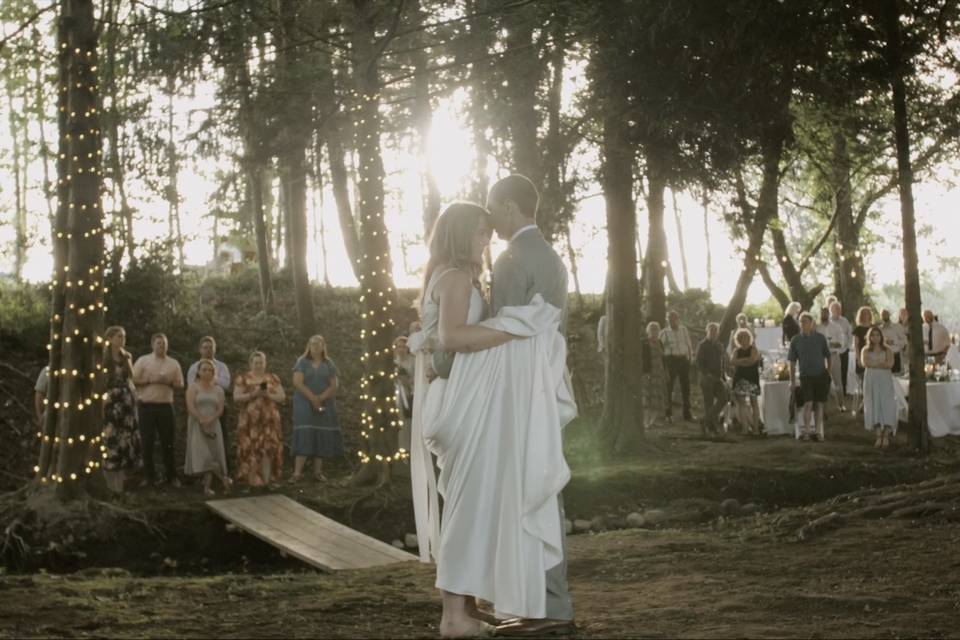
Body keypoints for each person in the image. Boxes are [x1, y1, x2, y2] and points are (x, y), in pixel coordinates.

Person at [411, 185, 575, 637]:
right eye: (480, 233)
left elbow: (446, 338)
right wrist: (515, 328)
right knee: (468, 502)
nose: (487, 241)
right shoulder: (463, 275)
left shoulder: (460, 273)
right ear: (462, 234)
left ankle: (463, 607)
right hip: (463, 401)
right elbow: (451, 341)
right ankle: (454, 614)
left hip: (462, 398)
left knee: (470, 501)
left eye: (489, 231)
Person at [133, 333, 185, 487]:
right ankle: (149, 477)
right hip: (146, 406)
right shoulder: (143, 360)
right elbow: (133, 380)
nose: (161, 346)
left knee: (168, 443)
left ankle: (172, 476)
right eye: (158, 343)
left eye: (164, 344)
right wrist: (150, 380)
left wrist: (169, 382)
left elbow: (180, 384)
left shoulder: (174, 363)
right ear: (152, 344)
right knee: (147, 443)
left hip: (165, 406)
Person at [291, 335, 342, 482]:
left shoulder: (328, 363)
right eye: (313, 343)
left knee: (321, 434)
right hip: (304, 403)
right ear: (309, 345)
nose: (315, 346)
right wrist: (313, 398)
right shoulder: (302, 362)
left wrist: (320, 398)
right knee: (305, 433)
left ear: (323, 346)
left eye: (318, 344)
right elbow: (297, 382)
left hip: (324, 403)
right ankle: (297, 473)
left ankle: (318, 472)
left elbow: (334, 385)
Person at [233, 351, 285, 488]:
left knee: (267, 449)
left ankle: (267, 482)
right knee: (250, 449)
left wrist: (268, 394)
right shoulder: (243, 378)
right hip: (250, 421)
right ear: (251, 363)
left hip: (269, 420)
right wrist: (253, 394)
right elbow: (236, 397)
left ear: (265, 363)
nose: (258, 365)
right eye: (256, 362)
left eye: (261, 362)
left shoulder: (272, 378)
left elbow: (282, 397)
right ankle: (252, 483)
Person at [101, 326, 142, 494]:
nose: (122, 339)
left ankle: (121, 485)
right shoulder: (103, 358)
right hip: (111, 401)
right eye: (118, 336)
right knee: (111, 439)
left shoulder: (126, 357)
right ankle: (110, 486)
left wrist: (134, 399)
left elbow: (131, 380)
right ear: (110, 338)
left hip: (126, 401)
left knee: (126, 440)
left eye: (123, 336)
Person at [184, 358, 231, 497]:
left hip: (214, 423)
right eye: (204, 369)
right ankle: (224, 479)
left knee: (213, 454)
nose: (207, 372)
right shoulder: (193, 387)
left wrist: (211, 420)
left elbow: (220, 408)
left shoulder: (218, 390)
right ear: (198, 371)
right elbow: (190, 406)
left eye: (210, 370)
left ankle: (207, 487)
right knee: (204, 455)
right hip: (197, 423)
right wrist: (201, 420)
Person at [187, 337, 231, 465]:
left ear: (215, 349)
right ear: (200, 349)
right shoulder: (194, 367)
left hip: (217, 405)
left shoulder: (222, 366)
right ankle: (201, 469)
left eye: (210, 347)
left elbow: (226, 384)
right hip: (199, 406)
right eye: (205, 347)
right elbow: (191, 385)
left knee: (221, 436)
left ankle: (222, 467)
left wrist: (210, 376)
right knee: (199, 439)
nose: (208, 350)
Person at [788, 312, 832, 441]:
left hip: (820, 375)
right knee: (808, 403)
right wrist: (792, 381)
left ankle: (818, 432)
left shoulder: (820, 338)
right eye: (800, 321)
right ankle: (806, 431)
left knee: (819, 404)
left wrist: (828, 373)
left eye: (805, 321)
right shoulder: (796, 340)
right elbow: (791, 362)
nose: (802, 323)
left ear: (811, 322)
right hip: (805, 376)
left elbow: (828, 356)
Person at [861, 327, 898, 449]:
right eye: (873, 335)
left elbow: (890, 364)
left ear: (881, 336)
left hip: (885, 379)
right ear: (869, 337)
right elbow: (866, 363)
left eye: (878, 335)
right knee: (873, 403)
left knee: (887, 404)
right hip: (871, 379)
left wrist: (876, 364)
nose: (875, 337)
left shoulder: (887, 350)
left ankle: (886, 434)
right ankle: (878, 434)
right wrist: (880, 364)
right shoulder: (865, 350)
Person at [660, 310, 694, 422]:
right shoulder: (664, 332)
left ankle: (687, 413)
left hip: (683, 360)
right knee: (669, 386)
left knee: (686, 387)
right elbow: (661, 348)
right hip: (671, 360)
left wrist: (690, 358)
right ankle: (668, 413)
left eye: (674, 318)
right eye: (669, 318)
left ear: (678, 319)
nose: (672, 320)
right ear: (667, 319)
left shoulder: (684, 330)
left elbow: (688, 344)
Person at [696, 322, 727, 435]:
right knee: (708, 403)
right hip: (707, 378)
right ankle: (711, 427)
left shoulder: (719, 345)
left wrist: (723, 376)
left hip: (718, 378)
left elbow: (723, 361)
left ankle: (704, 420)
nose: (713, 332)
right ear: (707, 331)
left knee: (724, 398)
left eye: (715, 331)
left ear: (718, 332)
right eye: (711, 330)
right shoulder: (703, 345)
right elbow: (698, 362)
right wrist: (707, 373)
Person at [730, 328, 763, 436]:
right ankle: (745, 428)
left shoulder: (753, 349)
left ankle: (756, 429)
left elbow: (752, 360)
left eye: (746, 337)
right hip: (740, 379)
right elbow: (732, 361)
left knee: (754, 403)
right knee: (742, 404)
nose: (744, 339)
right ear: (739, 339)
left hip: (752, 378)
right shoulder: (736, 350)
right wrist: (745, 361)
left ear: (749, 338)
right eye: (742, 338)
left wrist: (740, 362)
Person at [817, 307, 847, 412]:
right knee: (821, 382)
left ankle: (841, 404)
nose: (823, 315)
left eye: (825, 313)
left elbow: (842, 343)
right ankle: (823, 407)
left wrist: (832, 343)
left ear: (828, 314)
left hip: (833, 355)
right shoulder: (817, 327)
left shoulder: (836, 327)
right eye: (822, 313)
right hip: (820, 358)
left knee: (837, 380)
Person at [642, 321, 667, 429]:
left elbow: (663, 358)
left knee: (657, 398)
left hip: (659, 373)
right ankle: (646, 422)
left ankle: (653, 420)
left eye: (656, 330)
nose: (654, 332)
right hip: (648, 373)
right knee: (647, 398)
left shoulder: (660, 342)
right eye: (652, 330)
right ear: (648, 331)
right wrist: (644, 372)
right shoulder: (644, 343)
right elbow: (641, 359)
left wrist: (666, 372)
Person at [393, 336, 415, 452]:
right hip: (395, 395)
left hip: (409, 394)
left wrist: (406, 381)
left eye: (403, 347)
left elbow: (416, 379)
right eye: (398, 347)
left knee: (408, 421)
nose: (401, 349)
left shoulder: (413, 361)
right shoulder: (393, 362)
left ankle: (409, 447)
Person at [829, 302, 853, 400]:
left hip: (844, 351)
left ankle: (843, 393)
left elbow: (849, 334)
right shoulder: (828, 322)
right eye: (836, 309)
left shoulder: (845, 321)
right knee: (832, 373)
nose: (838, 310)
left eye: (839, 308)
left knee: (843, 371)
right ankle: (833, 394)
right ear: (831, 310)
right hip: (832, 352)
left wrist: (848, 347)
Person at [852, 307, 874, 411]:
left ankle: (867, 403)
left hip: (873, 357)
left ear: (870, 315)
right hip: (862, 356)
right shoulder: (857, 329)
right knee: (864, 381)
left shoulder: (874, 328)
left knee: (872, 381)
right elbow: (856, 345)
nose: (865, 315)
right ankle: (865, 403)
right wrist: (858, 359)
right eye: (863, 313)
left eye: (867, 313)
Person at [879, 309, 906, 375]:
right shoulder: (879, 329)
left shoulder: (897, 327)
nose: (884, 316)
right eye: (883, 314)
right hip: (884, 356)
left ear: (889, 315)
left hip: (896, 354)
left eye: (886, 314)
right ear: (880, 316)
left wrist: (893, 342)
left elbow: (904, 340)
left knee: (897, 376)